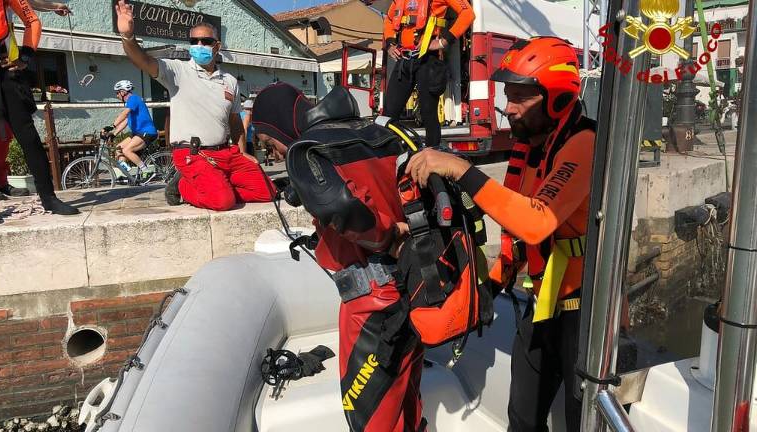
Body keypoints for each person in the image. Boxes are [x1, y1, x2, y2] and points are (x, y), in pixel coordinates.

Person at [405, 37, 596, 431]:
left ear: (558, 98)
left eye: (521, 98)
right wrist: (492, 283)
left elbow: (536, 221)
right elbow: (518, 230)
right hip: (542, 301)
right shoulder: (531, 147)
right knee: (522, 417)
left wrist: (460, 168)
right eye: (507, 96)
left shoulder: (584, 143)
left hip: (586, 312)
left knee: (584, 422)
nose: (508, 109)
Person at [251, 83, 424, 432]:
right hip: (414, 287)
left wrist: (385, 239)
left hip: (372, 305)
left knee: (370, 415)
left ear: (283, 127)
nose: (275, 152)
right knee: (407, 400)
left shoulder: (308, 151)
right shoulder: (374, 133)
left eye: (271, 143)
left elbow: (342, 205)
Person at [114, 0, 274, 211]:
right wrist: (128, 36)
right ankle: (182, 186)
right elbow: (143, 60)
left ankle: (216, 185)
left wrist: (242, 151)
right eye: (194, 40)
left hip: (226, 153)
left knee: (268, 191)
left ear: (217, 46)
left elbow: (234, 121)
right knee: (223, 202)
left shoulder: (229, 81)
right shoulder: (177, 71)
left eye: (205, 41)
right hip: (193, 154)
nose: (199, 45)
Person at [0, 0, 79, 225]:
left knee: (28, 137)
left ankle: (49, 198)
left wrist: (26, 55)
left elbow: (31, 19)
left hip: (3, 67)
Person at [382, 0, 474, 147]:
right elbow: (389, 19)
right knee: (388, 114)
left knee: (428, 113)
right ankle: (388, 154)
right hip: (404, 59)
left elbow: (468, 14)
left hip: (428, 60)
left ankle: (433, 153)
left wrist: (443, 42)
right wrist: (390, 43)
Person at [102, 79, 158, 175]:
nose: (117, 95)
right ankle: (128, 174)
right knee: (119, 149)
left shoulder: (133, 99)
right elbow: (126, 121)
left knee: (127, 150)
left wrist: (112, 126)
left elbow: (124, 114)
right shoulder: (130, 103)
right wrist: (114, 134)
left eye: (117, 93)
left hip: (147, 132)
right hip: (138, 133)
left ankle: (146, 171)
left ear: (123, 92)